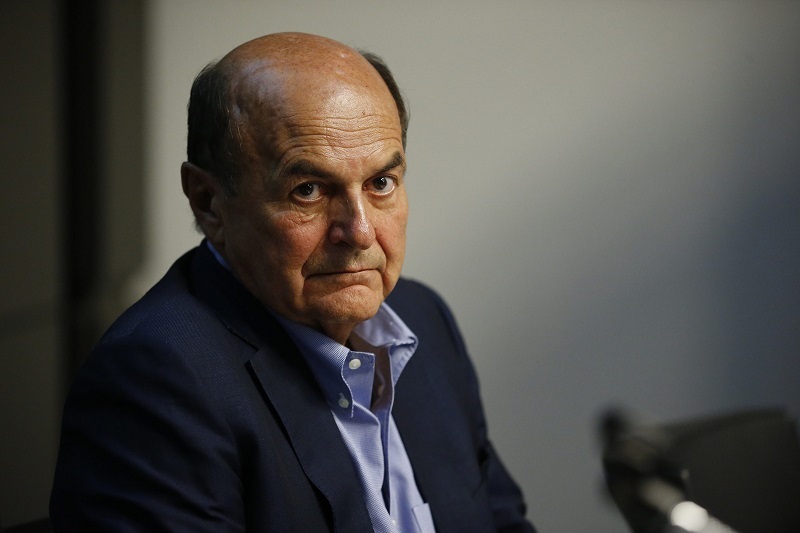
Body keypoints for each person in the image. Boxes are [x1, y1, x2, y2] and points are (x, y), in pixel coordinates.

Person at [50, 32, 536, 532]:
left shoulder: (423, 319)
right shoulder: (154, 383)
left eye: (381, 183)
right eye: (308, 190)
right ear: (208, 201)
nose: (360, 232)